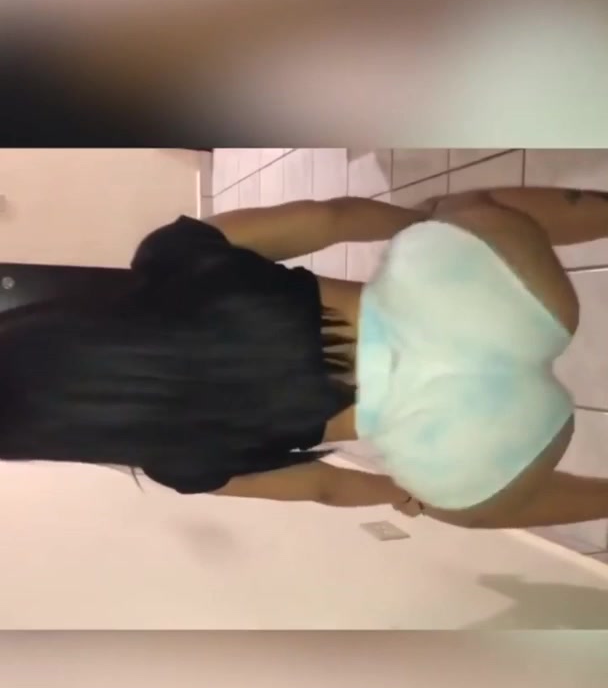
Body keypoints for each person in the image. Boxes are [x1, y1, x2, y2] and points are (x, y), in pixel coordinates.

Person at [2, 186, 608, 530]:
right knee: (461, 207)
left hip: (476, 440)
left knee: (462, 504)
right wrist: (425, 224)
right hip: (491, 300)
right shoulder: (170, 258)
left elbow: (325, 488)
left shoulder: (175, 462)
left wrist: (404, 496)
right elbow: (331, 219)